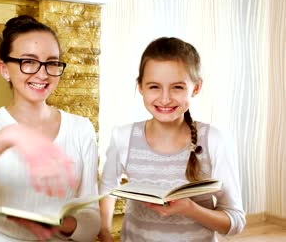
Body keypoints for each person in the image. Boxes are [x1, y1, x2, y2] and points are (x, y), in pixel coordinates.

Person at [0, 15, 100, 241]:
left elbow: (91, 221)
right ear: (5, 69)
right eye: (29, 62)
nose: (42, 73)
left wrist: (59, 223)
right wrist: (10, 135)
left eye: (52, 62)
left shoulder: (81, 128)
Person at [98, 37, 245, 241]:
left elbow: (235, 221)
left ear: (196, 87)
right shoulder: (123, 137)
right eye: (154, 87)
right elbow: (107, 189)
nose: (165, 99)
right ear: (140, 86)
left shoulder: (215, 141)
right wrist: (104, 231)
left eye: (177, 87)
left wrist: (190, 209)